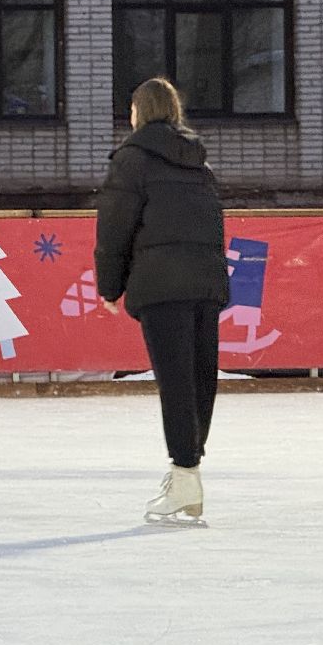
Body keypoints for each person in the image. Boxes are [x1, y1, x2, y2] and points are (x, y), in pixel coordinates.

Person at [95, 78, 228, 523]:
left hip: (162, 284)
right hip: (204, 283)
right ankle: (188, 473)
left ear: (140, 111)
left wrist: (110, 286)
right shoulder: (199, 162)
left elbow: (114, 225)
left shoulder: (132, 160)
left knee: (176, 381)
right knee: (198, 378)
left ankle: (185, 475)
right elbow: (212, 222)